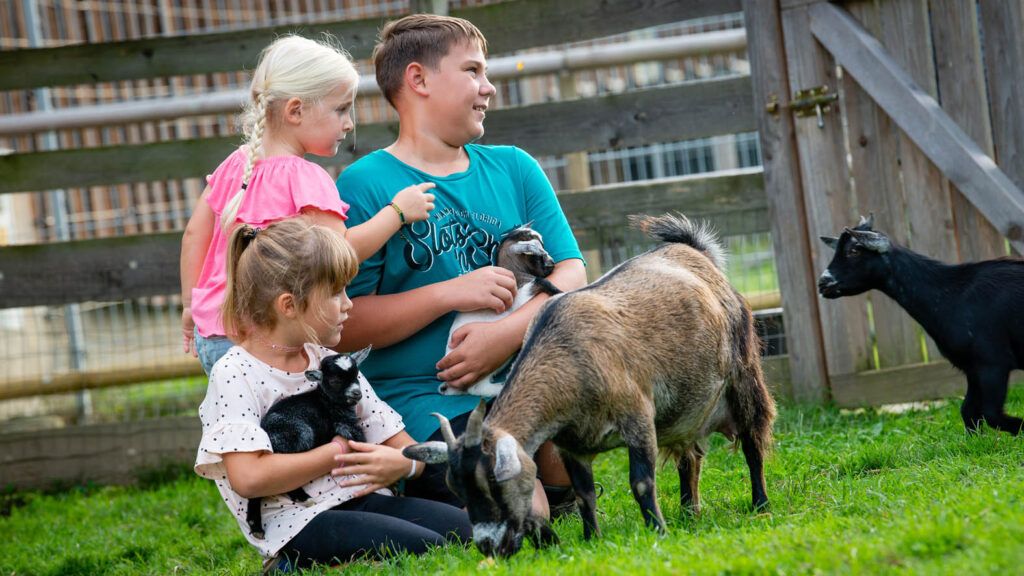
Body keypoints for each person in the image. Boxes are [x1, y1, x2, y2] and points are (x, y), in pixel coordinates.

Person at [335, 14, 587, 516]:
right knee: (524, 507)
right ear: (419, 80)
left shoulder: (514, 167)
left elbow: (572, 274)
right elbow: (344, 329)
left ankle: (545, 486)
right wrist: (448, 293)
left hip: (521, 377)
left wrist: (506, 334)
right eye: (472, 71)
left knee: (563, 465)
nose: (488, 87)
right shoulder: (364, 186)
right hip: (421, 399)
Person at [194, 219, 471, 572]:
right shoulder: (235, 373)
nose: (349, 305)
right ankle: (288, 563)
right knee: (425, 548)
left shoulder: (329, 362)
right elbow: (249, 478)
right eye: (336, 292)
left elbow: (395, 439)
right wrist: (336, 453)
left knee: (463, 532)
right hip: (301, 521)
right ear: (289, 305)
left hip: (362, 499)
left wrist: (407, 464)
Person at [180, 34, 436, 374]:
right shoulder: (305, 179)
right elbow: (340, 251)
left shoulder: (235, 164)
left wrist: (189, 307)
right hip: (268, 341)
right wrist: (398, 212)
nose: (349, 123)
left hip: (213, 335)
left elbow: (194, 236)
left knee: (242, 422)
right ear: (296, 110)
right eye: (341, 109)